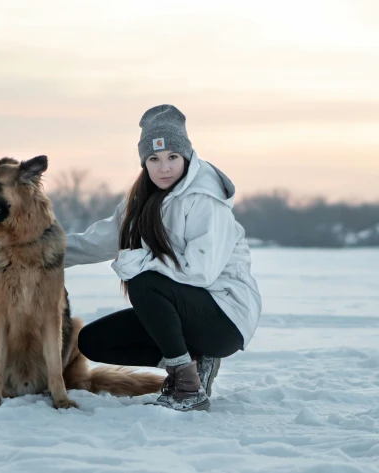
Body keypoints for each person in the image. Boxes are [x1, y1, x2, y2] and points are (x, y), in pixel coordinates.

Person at [64, 104, 262, 411]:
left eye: (172, 157)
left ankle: (186, 387)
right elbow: (98, 241)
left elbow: (201, 272)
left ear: (186, 156)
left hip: (224, 317)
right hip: (184, 313)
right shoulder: (141, 201)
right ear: (144, 163)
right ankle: (195, 361)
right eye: (154, 159)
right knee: (93, 341)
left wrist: (139, 263)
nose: (164, 167)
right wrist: (41, 252)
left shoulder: (205, 199)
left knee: (145, 282)